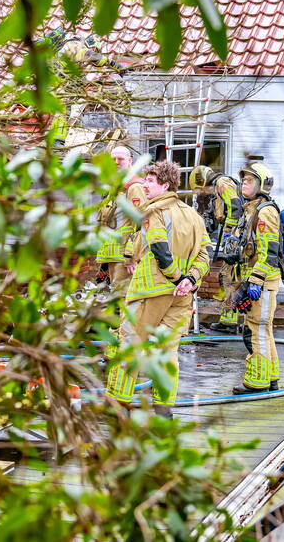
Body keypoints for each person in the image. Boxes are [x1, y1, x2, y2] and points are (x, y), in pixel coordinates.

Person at [105, 160, 211, 417]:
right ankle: (164, 410)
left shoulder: (154, 212)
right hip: (181, 297)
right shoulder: (193, 215)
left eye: (150, 181)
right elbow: (204, 256)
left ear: (165, 185)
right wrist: (190, 281)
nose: (144, 184)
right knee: (167, 350)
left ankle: (117, 405)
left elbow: (159, 249)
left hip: (150, 293)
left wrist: (176, 278)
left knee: (130, 343)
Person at [229, 161, 282, 394]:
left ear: (262, 185)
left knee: (255, 331)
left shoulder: (266, 211)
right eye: (243, 180)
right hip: (255, 280)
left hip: (263, 283)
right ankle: (270, 380)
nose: (244, 184)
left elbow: (269, 252)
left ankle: (256, 384)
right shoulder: (252, 208)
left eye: (249, 180)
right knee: (263, 330)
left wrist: (256, 281)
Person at [187, 165, 244, 334]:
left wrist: (229, 234)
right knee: (226, 277)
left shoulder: (222, 183)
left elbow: (235, 205)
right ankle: (229, 319)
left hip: (234, 238)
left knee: (227, 277)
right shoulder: (219, 187)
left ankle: (230, 322)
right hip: (234, 237)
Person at [95, 145, 147, 289]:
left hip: (124, 259)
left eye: (120, 159)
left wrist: (131, 256)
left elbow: (142, 223)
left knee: (123, 301)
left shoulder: (134, 187)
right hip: (113, 257)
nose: (116, 162)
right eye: (113, 159)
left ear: (130, 160)